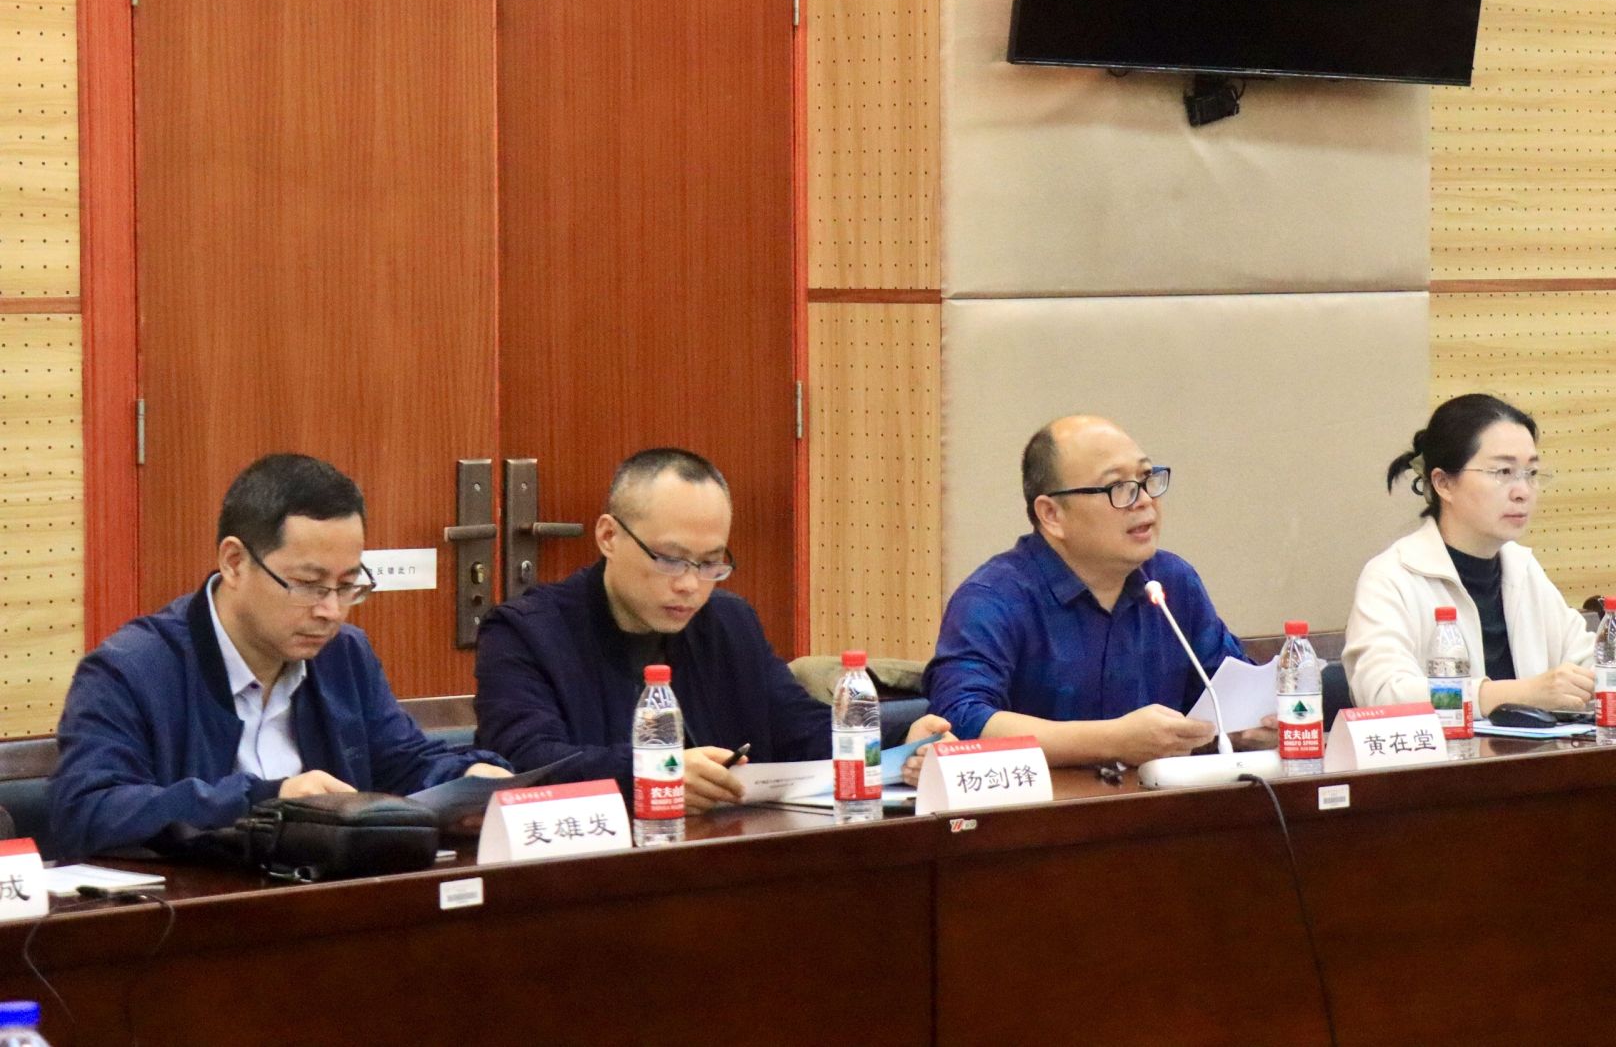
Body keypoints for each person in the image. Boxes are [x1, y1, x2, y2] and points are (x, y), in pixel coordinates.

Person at [49, 454, 510, 861]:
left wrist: (467, 779)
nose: (331, 611)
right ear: (234, 562)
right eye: (308, 584)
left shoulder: (344, 655)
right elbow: (87, 811)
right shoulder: (131, 668)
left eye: (347, 585)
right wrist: (270, 802)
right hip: (198, 915)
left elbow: (402, 763)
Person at [475, 448, 948, 813]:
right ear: (609, 537)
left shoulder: (729, 622)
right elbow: (524, 762)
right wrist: (654, 774)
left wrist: (901, 739)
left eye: (709, 564)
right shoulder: (525, 633)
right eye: (669, 559)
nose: (689, 585)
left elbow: (799, 731)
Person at [925, 415, 1261, 768]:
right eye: (1118, 487)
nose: (1144, 500)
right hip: (1045, 802)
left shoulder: (1172, 582)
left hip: (1165, 799)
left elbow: (1230, 693)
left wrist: (1257, 725)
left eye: (1146, 479)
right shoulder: (992, 599)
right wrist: (1113, 741)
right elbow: (959, 720)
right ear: (1052, 514)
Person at [1344, 395, 1596, 713]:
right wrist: (1519, 693)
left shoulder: (1523, 568)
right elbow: (1383, 694)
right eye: (1503, 472)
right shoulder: (1392, 576)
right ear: (1444, 483)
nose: (1522, 492)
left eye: (1531, 473)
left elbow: (1592, 663)